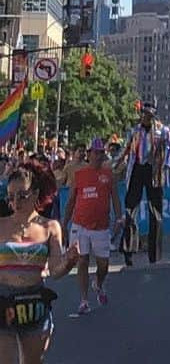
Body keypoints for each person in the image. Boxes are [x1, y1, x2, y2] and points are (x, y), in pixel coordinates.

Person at [0, 161, 80, 363]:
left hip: (34, 304)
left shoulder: (50, 227)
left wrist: (69, 261)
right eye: (10, 197)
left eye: (22, 196)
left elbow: (55, 271)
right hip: (3, 302)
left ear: (35, 194)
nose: (15, 202)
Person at [62, 138, 121, 315]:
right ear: (89, 154)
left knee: (103, 265)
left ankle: (99, 283)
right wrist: (64, 223)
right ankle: (84, 300)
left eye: (101, 152)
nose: (98, 155)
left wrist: (119, 217)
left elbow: (115, 198)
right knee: (82, 261)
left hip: (101, 227)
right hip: (80, 225)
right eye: (95, 152)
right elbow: (71, 199)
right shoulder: (80, 175)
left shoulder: (109, 174)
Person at [120, 101, 170, 265]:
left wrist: (166, 165)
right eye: (143, 114)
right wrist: (116, 163)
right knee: (130, 209)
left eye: (147, 115)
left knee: (155, 212)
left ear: (153, 116)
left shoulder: (163, 131)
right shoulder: (135, 131)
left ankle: (154, 255)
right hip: (137, 169)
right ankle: (128, 250)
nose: (144, 117)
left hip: (154, 170)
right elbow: (126, 150)